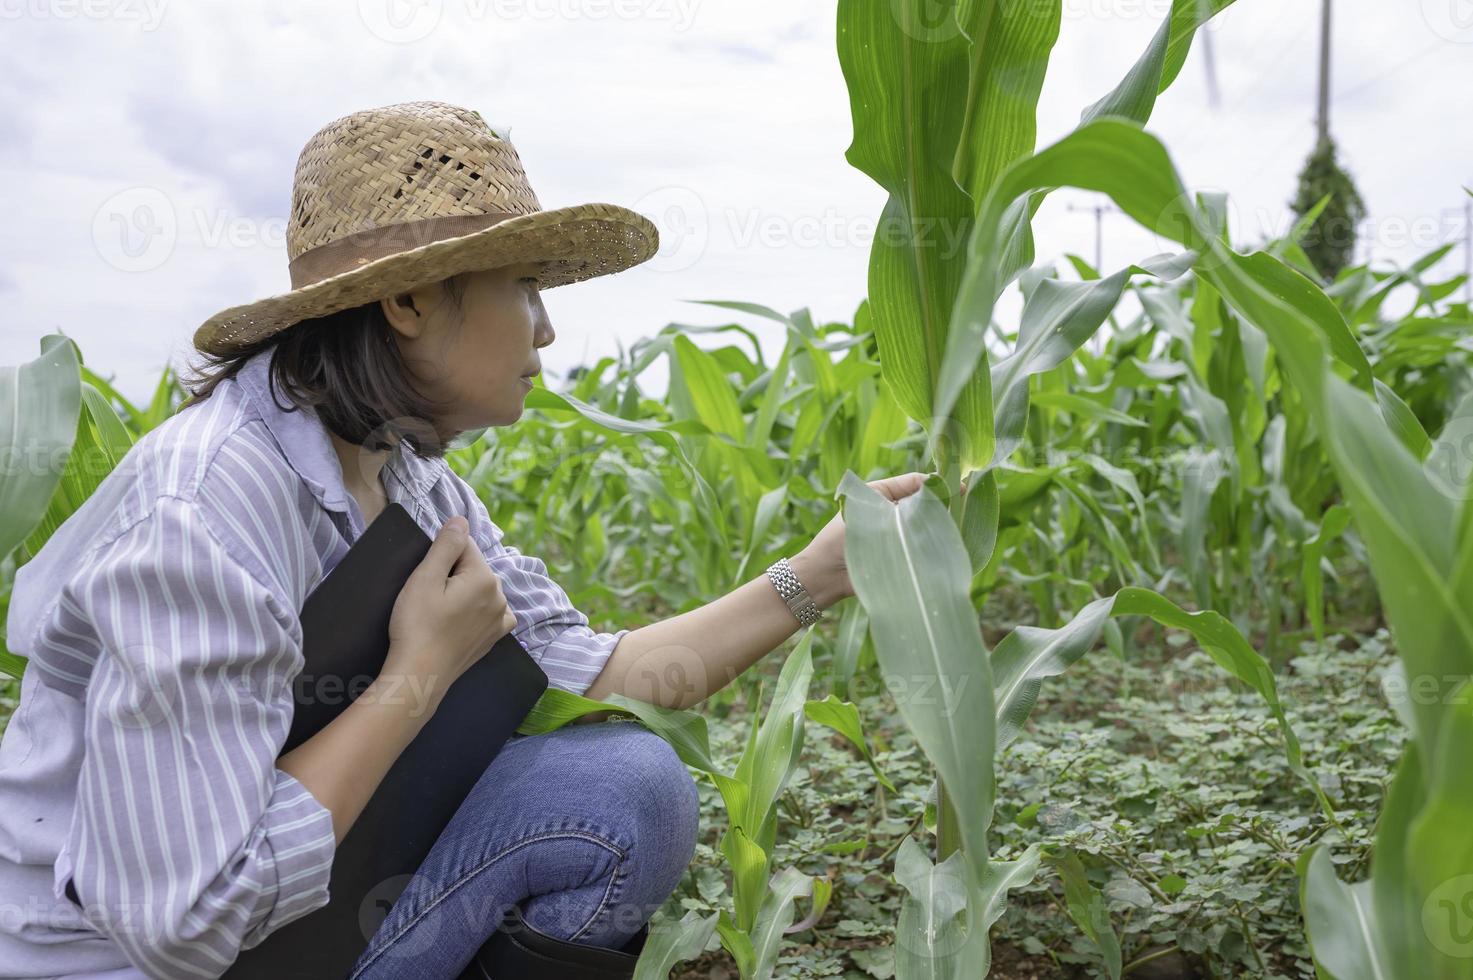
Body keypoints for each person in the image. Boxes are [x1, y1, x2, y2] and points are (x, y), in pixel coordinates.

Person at [0, 100, 930, 980]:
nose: (548, 327)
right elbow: (182, 923)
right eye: (523, 286)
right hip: (144, 959)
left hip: (301, 908)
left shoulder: (401, 469)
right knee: (611, 797)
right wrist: (421, 672)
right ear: (409, 302)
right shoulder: (204, 516)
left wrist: (825, 570)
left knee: (621, 783)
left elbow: (596, 676)